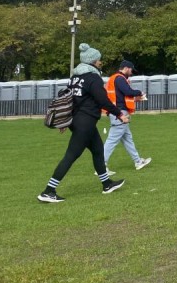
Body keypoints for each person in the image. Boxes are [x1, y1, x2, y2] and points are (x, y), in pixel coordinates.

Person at [37, 43, 126, 203]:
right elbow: (102, 100)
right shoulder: (93, 78)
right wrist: (119, 114)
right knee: (71, 156)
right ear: (92, 61)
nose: (100, 62)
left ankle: (107, 184)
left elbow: (70, 100)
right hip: (85, 123)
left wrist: (65, 121)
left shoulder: (75, 78)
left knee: (98, 151)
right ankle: (48, 191)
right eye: (99, 60)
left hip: (79, 122)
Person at [102, 60, 151, 173]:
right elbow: (127, 91)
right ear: (126, 68)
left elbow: (121, 97)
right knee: (112, 140)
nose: (132, 72)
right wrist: (139, 92)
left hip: (118, 112)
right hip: (119, 113)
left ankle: (138, 161)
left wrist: (135, 98)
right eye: (131, 70)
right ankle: (101, 166)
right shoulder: (120, 78)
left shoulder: (115, 78)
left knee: (127, 138)